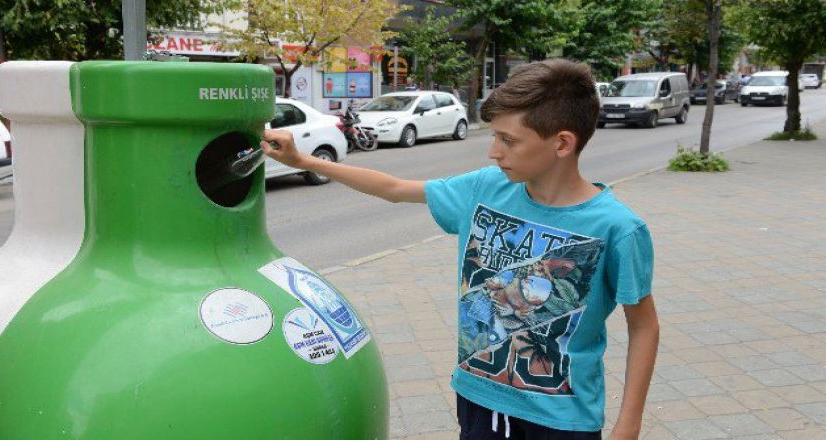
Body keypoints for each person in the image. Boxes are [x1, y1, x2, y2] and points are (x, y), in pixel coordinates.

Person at [262, 59, 659, 440]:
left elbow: (644, 326)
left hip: (563, 417)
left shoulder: (617, 229)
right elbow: (395, 189)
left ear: (562, 143)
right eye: (494, 136)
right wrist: (302, 160)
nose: (494, 151)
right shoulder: (486, 188)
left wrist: (628, 427)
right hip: (479, 399)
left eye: (508, 140)